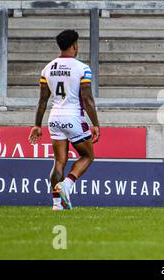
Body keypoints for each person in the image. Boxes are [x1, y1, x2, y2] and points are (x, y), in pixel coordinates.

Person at [28, 29, 100, 211]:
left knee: (59, 161)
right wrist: (96, 124)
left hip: (55, 117)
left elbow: (43, 100)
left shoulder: (48, 68)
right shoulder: (82, 68)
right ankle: (67, 184)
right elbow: (87, 99)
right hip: (73, 116)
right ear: (74, 45)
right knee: (88, 155)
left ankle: (56, 204)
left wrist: (37, 124)